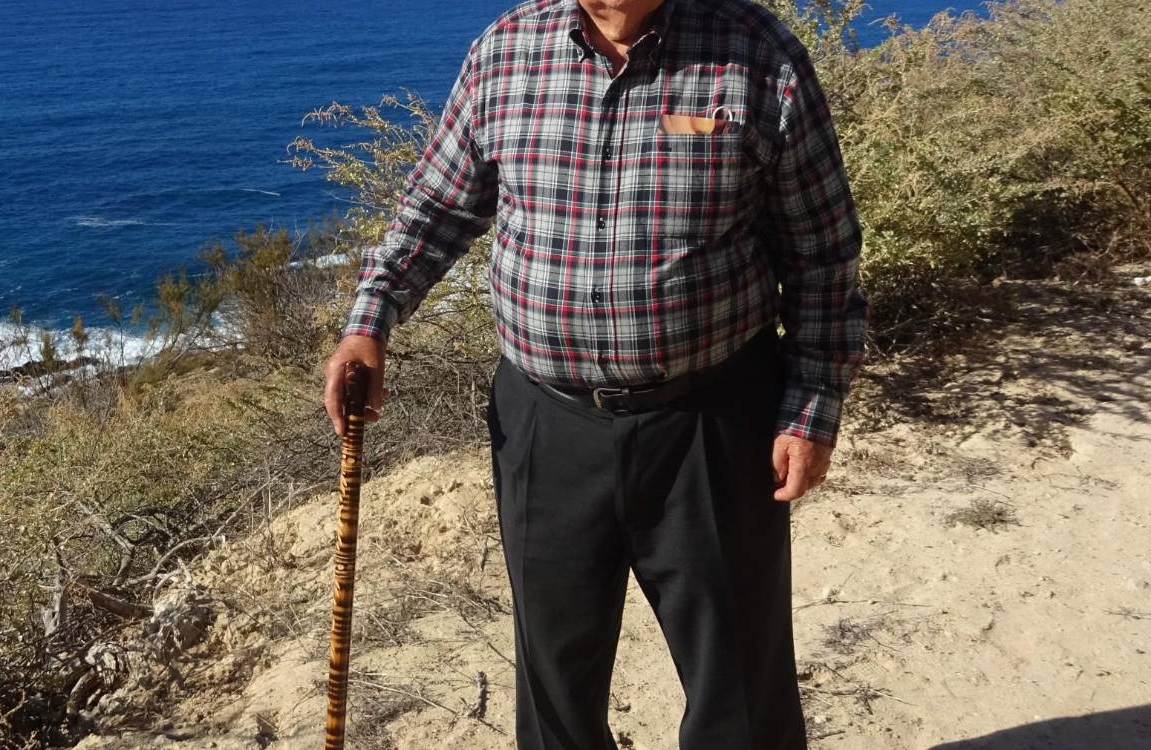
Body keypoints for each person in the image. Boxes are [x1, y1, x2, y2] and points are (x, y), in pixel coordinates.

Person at [323, 0, 867, 746]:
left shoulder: (757, 53)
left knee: (737, 675)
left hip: (712, 418)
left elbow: (822, 254)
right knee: (555, 676)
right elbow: (436, 208)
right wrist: (368, 320)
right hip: (544, 421)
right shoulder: (505, 51)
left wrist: (810, 407)